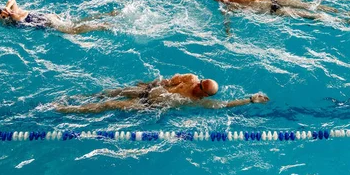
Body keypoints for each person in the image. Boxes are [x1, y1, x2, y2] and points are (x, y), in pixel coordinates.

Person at [55, 74, 270, 113]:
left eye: (201, 86)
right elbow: (166, 80)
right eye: (201, 81)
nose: (197, 84)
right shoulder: (190, 78)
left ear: (204, 94)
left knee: (110, 105)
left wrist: (250, 99)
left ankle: (68, 109)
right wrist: (148, 84)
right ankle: (78, 99)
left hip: (150, 106)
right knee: (112, 92)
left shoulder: (197, 101)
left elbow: (224, 105)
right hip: (149, 91)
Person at [0, 0, 113, 34]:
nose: (3, 15)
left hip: (49, 22)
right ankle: (107, 15)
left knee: (73, 31)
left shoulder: (13, 16)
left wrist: (7, 8)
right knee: (76, 22)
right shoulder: (15, 12)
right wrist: (8, 7)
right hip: (49, 16)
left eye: (0, 12)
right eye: (0, 16)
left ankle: (101, 26)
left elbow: (11, 0)